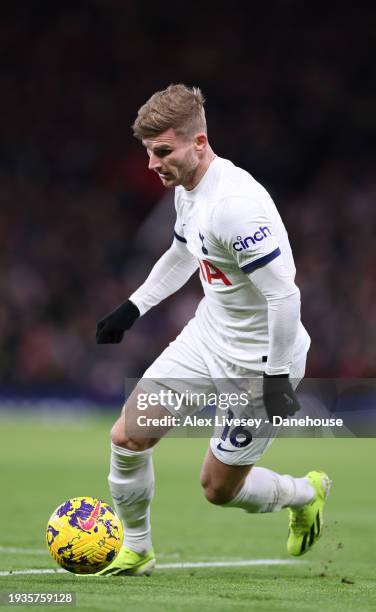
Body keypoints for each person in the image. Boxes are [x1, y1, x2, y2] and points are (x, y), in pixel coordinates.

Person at [95, 84, 331, 576]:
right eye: (148, 152)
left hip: (260, 363)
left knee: (218, 490)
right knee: (128, 436)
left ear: (198, 143)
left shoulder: (237, 206)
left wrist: (274, 380)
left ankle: (305, 493)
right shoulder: (188, 190)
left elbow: (285, 297)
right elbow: (183, 253)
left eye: (163, 151)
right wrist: (133, 307)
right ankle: (137, 549)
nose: (153, 163)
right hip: (207, 339)